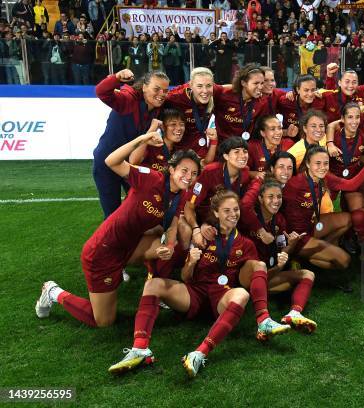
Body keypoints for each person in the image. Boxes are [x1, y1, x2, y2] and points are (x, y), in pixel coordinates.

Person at [108, 190, 289, 378]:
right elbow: (186, 277)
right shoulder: (203, 237)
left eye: (236, 210)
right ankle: (140, 349)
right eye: (227, 210)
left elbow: (258, 278)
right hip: (195, 293)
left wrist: (278, 266)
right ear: (216, 213)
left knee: (242, 294)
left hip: (222, 298)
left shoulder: (245, 244)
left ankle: (199, 353)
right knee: (153, 285)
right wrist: (191, 262)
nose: (233, 214)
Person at [35, 134, 201, 328]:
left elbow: (172, 225)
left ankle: (155, 294)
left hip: (130, 246)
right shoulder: (150, 178)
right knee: (104, 321)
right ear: (171, 169)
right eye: (184, 170)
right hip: (103, 252)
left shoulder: (181, 194)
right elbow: (111, 161)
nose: (189, 177)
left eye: (194, 173)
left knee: (161, 246)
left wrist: (170, 246)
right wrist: (144, 138)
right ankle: (53, 292)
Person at [282, 146, 364, 272]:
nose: (322, 167)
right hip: (297, 236)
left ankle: (321, 248)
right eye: (317, 163)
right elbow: (278, 210)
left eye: (326, 163)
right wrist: (287, 241)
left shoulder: (325, 176)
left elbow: (351, 185)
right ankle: (303, 257)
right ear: (307, 163)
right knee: (344, 261)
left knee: (348, 219)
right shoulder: (294, 184)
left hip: (312, 225)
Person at [240, 180, 317, 332]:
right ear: (260, 199)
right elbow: (244, 206)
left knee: (308, 274)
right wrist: (278, 267)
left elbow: (281, 250)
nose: (276, 201)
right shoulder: (249, 220)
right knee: (261, 268)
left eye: (279, 196)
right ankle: (263, 318)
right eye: (270, 196)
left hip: (268, 273)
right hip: (246, 277)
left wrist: (291, 245)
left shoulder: (280, 220)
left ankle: (294, 313)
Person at [93, 69, 169, 218]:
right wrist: (117, 78)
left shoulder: (158, 107)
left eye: (165, 91)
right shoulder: (128, 99)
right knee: (113, 214)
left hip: (130, 164)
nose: (161, 94)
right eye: (156, 89)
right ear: (144, 87)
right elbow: (102, 92)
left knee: (144, 206)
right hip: (106, 163)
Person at [182, 137, 253, 248]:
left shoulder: (244, 173)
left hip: (225, 219)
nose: (243, 155)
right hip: (202, 218)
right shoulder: (210, 172)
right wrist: (197, 229)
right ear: (225, 156)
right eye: (236, 151)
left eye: (245, 151)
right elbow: (189, 206)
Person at [325, 102, 364, 211]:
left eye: (357, 117)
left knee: (357, 210)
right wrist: (329, 144)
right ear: (342, 119)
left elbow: (363, 156)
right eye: (350, 117)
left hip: (353, 177)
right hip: (334, 178)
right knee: (324, 208)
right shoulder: (334, 136)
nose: (354, 122)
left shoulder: (363, 136)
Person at [165, 67, 218, 164]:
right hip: (180, 153)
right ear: (191, 86)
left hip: (202, 152)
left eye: (208, 86)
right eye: (199, 86)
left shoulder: (216, 94)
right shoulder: (176, 97)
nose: (205, 91)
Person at [212, 63, 268, 143]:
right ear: (243, 83)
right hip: (222, 147)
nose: (260, 87)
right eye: (256, 83)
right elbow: (203, 85)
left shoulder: (262, 102)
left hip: (244, 148)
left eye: (262, 83)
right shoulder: (224, 94)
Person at [129, 107, 185, 172]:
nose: (179, 128)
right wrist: (152, 129)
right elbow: (133, 161)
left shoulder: (180, 153)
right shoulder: (150, 145)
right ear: (162, 127)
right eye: (173, 124)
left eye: (182, 124)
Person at [277, 74, 325, 139]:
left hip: (312, 139)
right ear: (298, 90)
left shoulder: (319, 101)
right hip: (290, 139)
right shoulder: (286, 101)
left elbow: (333, 93)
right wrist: (285, 132)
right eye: (306, 90)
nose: (310, 94)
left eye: (313, 90)